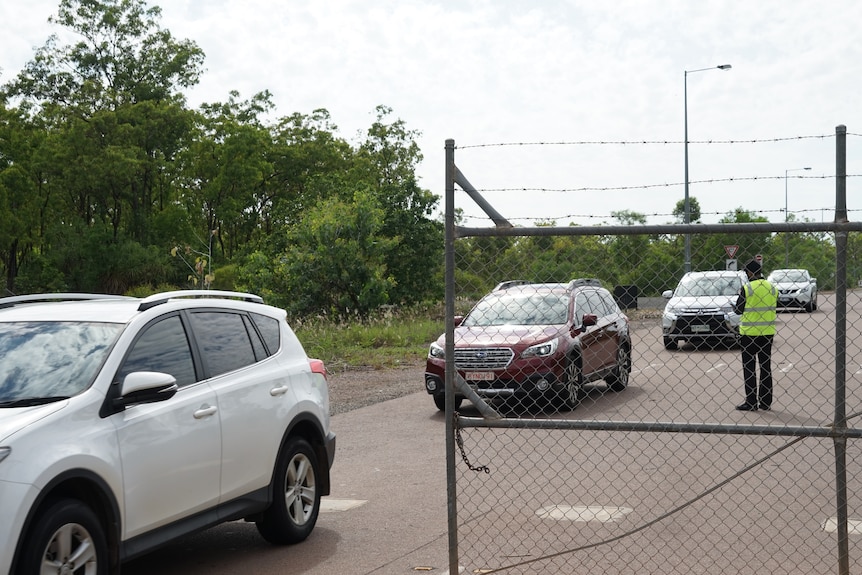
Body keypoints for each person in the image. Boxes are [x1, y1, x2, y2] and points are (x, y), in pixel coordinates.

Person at [733, 259, 778, 411]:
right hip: (767, 333)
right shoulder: (772, 288)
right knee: (766, 367)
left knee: (749, 368)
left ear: (751, 273)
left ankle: (751, 402)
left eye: (746, 272)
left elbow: (739, 310)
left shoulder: (748, 288)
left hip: (749, 334)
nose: (746, 275)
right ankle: (766, 402)